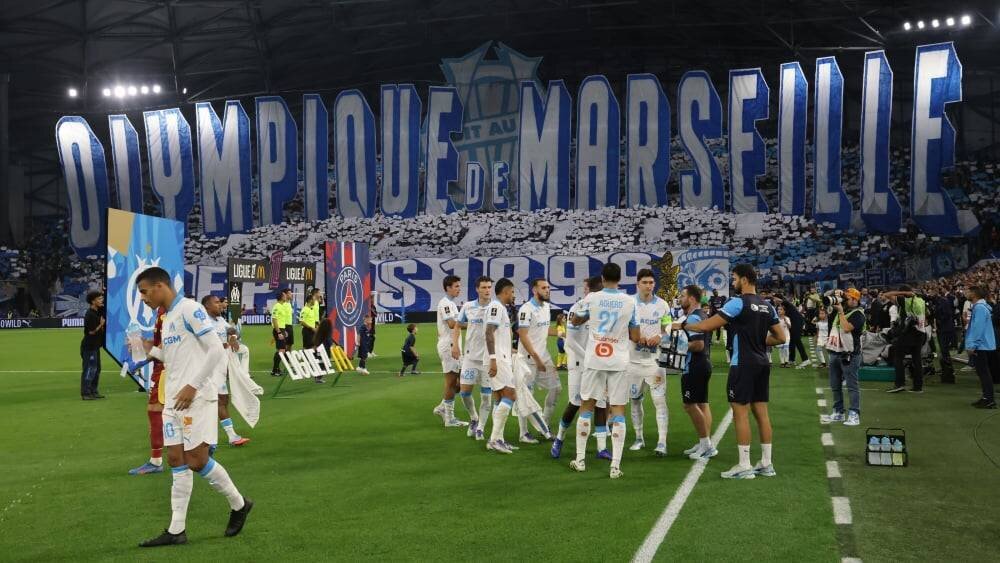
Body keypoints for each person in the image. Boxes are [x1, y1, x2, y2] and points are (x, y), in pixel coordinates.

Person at [134, 267, 252, 547]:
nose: (142, 298)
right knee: (175, 459)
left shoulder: (189, 309)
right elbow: (174, 357)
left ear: (160, 285)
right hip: (174, 400)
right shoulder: (169, 316)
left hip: (196, 398)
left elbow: (214, 348)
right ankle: (177, 530)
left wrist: (194, 385)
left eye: (144, 291)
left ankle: (239, 504)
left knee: (196, 460)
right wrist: (149, 349)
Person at [681, 263, 786, 480]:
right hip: (762, 363)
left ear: (745, 279)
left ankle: (744, 465)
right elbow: (781, 337)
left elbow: (706, 326)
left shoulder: (738, 302)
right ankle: (767, 463)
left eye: (735, 278)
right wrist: (758, 341)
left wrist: (681, 326)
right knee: (762, 414)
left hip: (743, 364)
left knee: (740, 413)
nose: (733, 282)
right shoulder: (768, 306)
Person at [569, 262, 640, 479]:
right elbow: (635, 336)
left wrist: (588, 316)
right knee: (618, 410)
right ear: (620, 279)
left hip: (595, 359)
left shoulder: (592, 298)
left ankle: (580, 460)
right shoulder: (630, 302)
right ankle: (615, 467)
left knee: (587, 406)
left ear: (602, 278)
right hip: (618, 360)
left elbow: (576, 319)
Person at [551, 276, 612, 461]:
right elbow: (570, 340)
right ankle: (559, 438)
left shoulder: (603, 310)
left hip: (598, 364)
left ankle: (601, 448)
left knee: (601, 403)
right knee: (576, 403)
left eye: (585, 288)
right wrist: (588, 358)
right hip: (579, 364)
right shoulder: (577, 309)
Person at [627, 268, 671, 456]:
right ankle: (639, 438)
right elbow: (621, 329)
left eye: (651, 282)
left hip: (655, 361)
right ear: (637, 284)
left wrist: (660, 337)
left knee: (659, 401)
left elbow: (667, 327)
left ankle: (662, 442)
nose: (648, 286)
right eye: (644, 282)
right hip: (633, 362)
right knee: (635, 400)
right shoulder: (628, 304)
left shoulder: (663, 305)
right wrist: (636, 337)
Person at [515, 278, 561, 442]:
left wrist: (561, 333)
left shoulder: (546, 307)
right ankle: (523, 433)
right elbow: (523, 334)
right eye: (543, 288)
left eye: (548, 287)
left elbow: (543, 328)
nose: (547, 290)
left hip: (543, 356)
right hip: (528, 359)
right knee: (526, 395)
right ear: (534, 290)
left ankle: (544, 425)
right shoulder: (526, 310)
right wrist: (537, 358)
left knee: (556, 389)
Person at [202, 295, 250, 446]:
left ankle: (219, 437)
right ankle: (228, 436)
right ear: (207, 306)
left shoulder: (220, 320)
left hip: (220, 366)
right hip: (209, 368)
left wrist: (233, 336)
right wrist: (225, 343)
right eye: (216, 303)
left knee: (221, 400)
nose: (220, 305)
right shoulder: (203, 322)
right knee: (214, 401)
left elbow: (232, 329)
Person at [676, 285, 717, 460]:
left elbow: (698, 345)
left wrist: (679, 346)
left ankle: (706, 444)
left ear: (692, 299)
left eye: (683, 295)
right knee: (702, 403)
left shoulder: (694, 316)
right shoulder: (702, 315)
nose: (680, 298)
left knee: (689, 404)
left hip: (694, 365)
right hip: (703, 364)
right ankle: (704, 443)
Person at [129, 306, 166, 475]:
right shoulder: (163, 312)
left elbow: (166, 352)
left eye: (144, 291)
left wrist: (144, 354)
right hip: (166, 369)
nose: (143, 298)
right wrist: (145, 344)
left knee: (155, 411)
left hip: (166, 371)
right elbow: (159, 345)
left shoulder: (169, 313)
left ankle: (156, 461)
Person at [457, 276, 495, 440]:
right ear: (477, 289)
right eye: (484, 287)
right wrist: (454, 344)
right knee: (464, 393)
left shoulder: (496, 307)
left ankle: (480, 428)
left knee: (486, 396)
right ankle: (474, 417)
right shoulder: (468, 307)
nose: (487, 290)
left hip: (488, 359)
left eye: (489, 287)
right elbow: (458, 325)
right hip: (470, 358)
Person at [484, 278, 519, 454]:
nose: (513, 295)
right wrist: (493, 358)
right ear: (505, 292)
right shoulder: (496, 307)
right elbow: (489, 332)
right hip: (498, 359)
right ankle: (493, 440)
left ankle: (499, 439)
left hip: (501, 357)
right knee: (510, 395)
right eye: (512, 292)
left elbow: (498, 336)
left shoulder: (500, 308)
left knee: (499, 399)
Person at [825, 288, 866, 426]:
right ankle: (838, 412)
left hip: (850, 354)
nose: (845, 301)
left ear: (855, 299)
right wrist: (835, 294)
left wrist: (841, 311)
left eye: (848, 299)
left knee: (851, 385)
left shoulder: (859, 314)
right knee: (835, 384)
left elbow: (846, 328)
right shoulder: (843, 310)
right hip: (835, 351)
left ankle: (854, 414)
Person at [432, 275, 467, 427]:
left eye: (459, 286)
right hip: (449, 346)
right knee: (452, 381)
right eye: (456, 286)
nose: (459, 289)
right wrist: (473, 323)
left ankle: (442, 408)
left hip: (452, 344)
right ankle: (449, 418)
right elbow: (452, 324)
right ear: (448, 288)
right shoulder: (445, 303)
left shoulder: (451, 304)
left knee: (461, 381)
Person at [884, 286, 928, 393]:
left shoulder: (904, 300)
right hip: (921, 332)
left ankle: (899, 384)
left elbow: (887, 295)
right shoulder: (920, 300)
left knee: (898, 357)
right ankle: (918, 387)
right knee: (917, 359)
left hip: (908, 333)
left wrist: (903, 293)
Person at [965, 286, 997, 409]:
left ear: (974, 294)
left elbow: (977, 328)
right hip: (983, 344)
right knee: (983, 372)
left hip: (981, 345)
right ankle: (986, 397)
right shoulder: (981, 307)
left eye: (969, 291)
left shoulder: (979, 308)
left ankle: (989, 399)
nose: (966, 293)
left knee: (984, 373)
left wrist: (972, 345)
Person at [81, 290, 106, 400]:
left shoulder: (98, 310)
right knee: (90, 369)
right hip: (89, 346)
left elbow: (106, 306)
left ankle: (93, 391)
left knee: (97, 369)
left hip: (95, 346)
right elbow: (91, 332)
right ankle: (86, 392)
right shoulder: (89, 314)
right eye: (99, 299)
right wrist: (100, 325)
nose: (102, 300)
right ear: (93, 301)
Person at [778, 296, 810, 368]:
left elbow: (785, 302)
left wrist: (779, 299)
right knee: (792, 341)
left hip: (798, 323)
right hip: (794, 324)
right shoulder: (786, 309)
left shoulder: (789, 306)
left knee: (797, 341)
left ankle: (806, 359)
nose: (780, 310)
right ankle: (792, 359)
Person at [932, 290, 956, 383]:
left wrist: (938, 322)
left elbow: (947, 314)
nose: (930, 294)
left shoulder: (943, 301)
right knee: (943, 350)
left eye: (931, 292)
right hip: (942, 328)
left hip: (945, 329)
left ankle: (949, 371)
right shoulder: (938, 301)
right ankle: (946, 369)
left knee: (944, 350)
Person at [270, 288, 293, 377]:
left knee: (282, 350)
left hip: (282, 329)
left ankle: (276, 369)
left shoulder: (282, 306)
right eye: (284, 295)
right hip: (278, 330)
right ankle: (274, 370)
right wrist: (279, 332)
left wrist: (284, 331)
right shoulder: (277, 306)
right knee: (281, 350)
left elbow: (281, 320)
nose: (285, 296)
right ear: (281, 297)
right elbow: (274, 319)